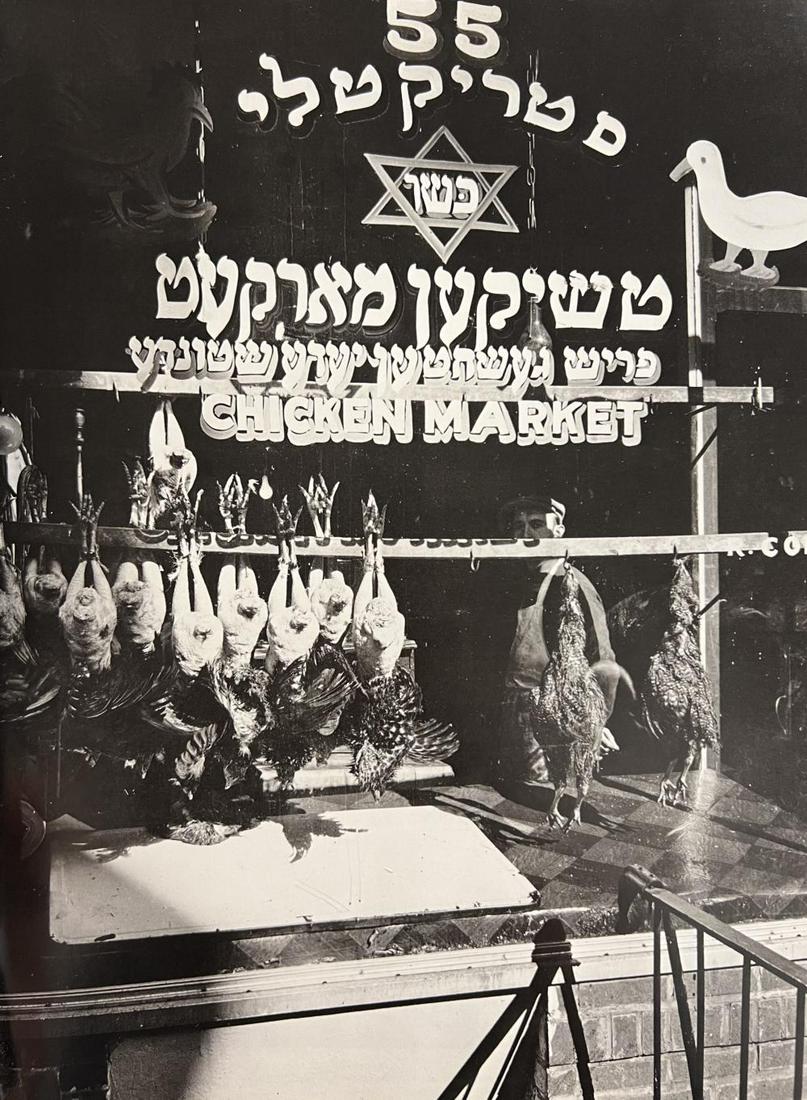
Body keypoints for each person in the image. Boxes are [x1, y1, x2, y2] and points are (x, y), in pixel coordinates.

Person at [493, 494, 619, 787]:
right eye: (518, 526)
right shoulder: (526, 582)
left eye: (536, 524)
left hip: (557, 719)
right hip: (518, 713)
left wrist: (596, 723)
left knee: (544, 796)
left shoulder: (572, 586)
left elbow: (605, 665)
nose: (525, 534)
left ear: (559, 531)